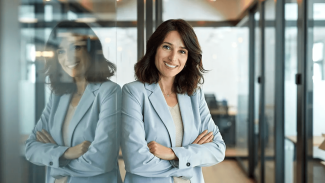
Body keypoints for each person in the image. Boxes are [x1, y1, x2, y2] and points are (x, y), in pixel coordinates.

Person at [121, 19, 226, 183]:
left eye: (182, 51)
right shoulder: (133, 92)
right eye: (167, 47)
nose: (173, 57)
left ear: (188, 57)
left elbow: (218, 149)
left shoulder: (193, 94)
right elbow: (136, 162)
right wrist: (190, 159)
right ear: (154, 48)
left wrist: (172, 153)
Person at [25, 21, 122, 183]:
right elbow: (30, 149)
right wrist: (68, 153)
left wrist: (54, 160)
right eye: (61, 51)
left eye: (75, 47)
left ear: (91, 50)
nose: (67, 57)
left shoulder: (110, 91)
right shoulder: (58, 96)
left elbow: (101, 160)